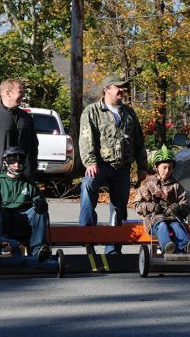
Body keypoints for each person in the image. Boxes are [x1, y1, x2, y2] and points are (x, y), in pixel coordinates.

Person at [79, 74, 148, 254]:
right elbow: (86, 140)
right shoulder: (92, 111)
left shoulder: (129, 113)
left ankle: (113, 248)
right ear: (106, 90)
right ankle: (88, 238)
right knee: (87, 187)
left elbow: (139, 141)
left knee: (119, 208)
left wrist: (142, 167)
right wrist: (90, 162)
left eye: (123, 87)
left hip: (121, 168)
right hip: (99, 165)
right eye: (118, 87)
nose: (122, 91)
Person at [0, 147, 50, 261]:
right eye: (13, 162)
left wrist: (41, 203)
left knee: (40, 210)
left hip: (24, 222)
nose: (17, 165)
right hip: (5, 221)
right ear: (6, 164)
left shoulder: (29, 183)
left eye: (20, 162)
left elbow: (39, 199)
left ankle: (38, 250)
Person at [133, 144, 190, 254]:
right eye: (164, 167)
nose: (167, 171)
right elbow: (136, 204)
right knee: (162, 224)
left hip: (172, 218)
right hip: (154, 220)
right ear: (156, 167)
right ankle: (167, 246)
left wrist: (178, 208)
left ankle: (186, 246)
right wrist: (152, 207)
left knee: (177, 226)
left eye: (170, 168)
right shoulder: (147, 185)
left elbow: (186, 206)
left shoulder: (176, 186)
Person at [0, 78, 38, 191]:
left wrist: (30, 171)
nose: (23, 94)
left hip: (23, 181)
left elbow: (33, 147)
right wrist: (1, 174)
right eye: (20, 91)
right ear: (8, 93)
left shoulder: (26, 118)